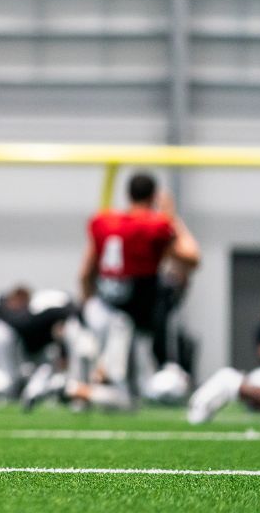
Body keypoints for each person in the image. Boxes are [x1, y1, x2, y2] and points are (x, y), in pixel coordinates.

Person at [69, 172, 200, 410]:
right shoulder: (155, 225)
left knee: (120, 389)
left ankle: (81, 388)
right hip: (132, 317)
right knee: (127, 395)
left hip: (101, 308)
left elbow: (85, 273)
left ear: (127, 194)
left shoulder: (103, 222)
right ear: (153, 196)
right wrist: (171, 216)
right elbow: (192, 258)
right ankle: (70, 389)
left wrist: (88, 308)